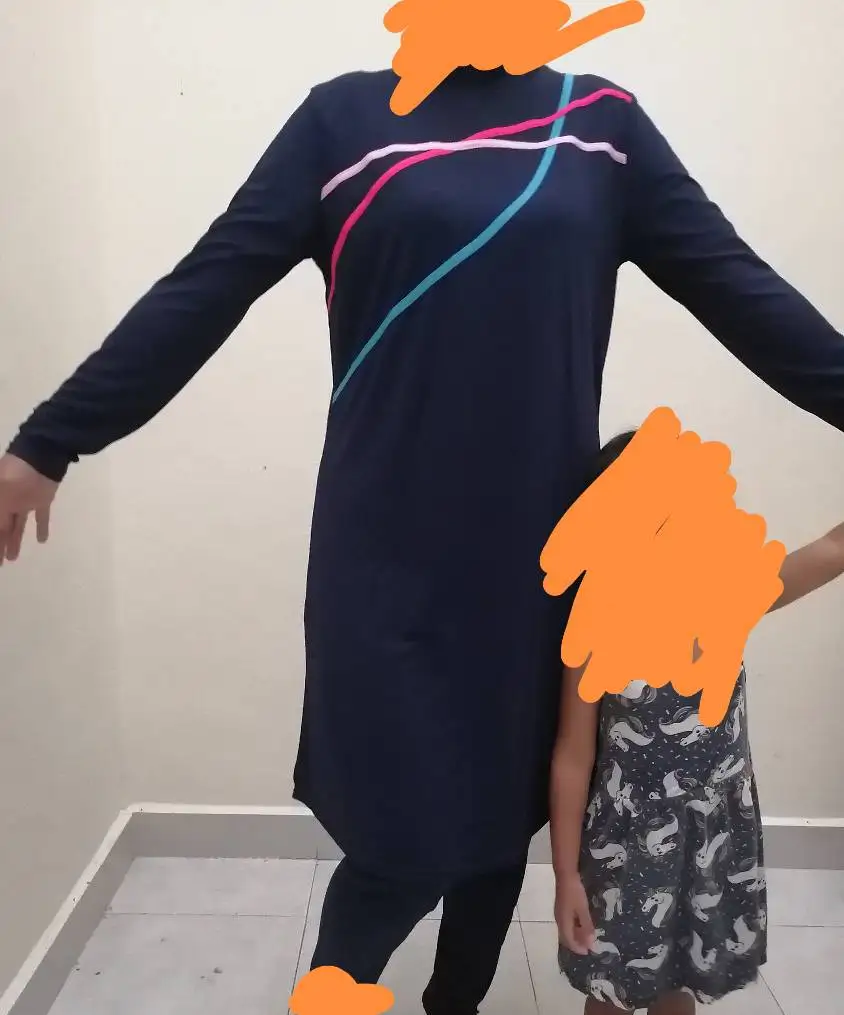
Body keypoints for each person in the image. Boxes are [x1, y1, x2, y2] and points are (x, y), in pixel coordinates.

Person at [2, 62, 844, 1013]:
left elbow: (741, 289)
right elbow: (208, 284)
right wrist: (53, 436)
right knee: (395, 845)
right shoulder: (342, 120)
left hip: (534, 567)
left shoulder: (600, 124)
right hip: (383, 557)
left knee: (497, 828)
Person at [552, 430, 844, 1014]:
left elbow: (834, 548)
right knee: (612, 986)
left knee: (681, 977)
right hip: (627, 845)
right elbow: (572, 756)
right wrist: (565, 877)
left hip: (714, 839)